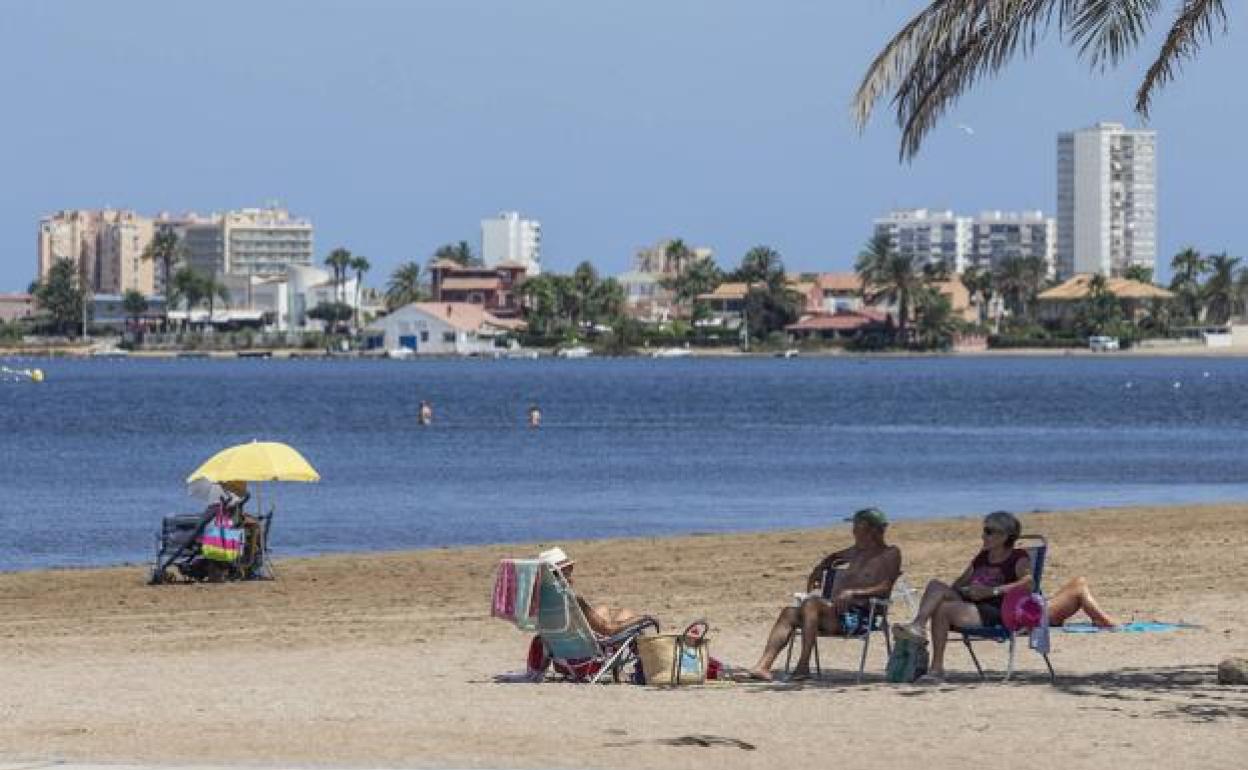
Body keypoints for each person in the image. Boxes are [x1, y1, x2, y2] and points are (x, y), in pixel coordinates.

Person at [741, 508, 902, 681]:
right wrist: (818, 571)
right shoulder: (854, 552)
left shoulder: (889, 554)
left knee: (812, 603)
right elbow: (831, 558)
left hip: (861, 617)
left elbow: (886, 587)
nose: (853, 530)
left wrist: (853, 593)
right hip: (834, 613)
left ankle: (803, 667)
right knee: (789, 613)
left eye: (857, 526)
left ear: (870, 530)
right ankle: (763, 666)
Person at [893, 510, 1033, 683]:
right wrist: (967, 590)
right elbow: (959, 582)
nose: (983, 536)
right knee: (935, 585)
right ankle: (919, 625)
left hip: (995, 610)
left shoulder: (1017, 557)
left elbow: (1028, 583)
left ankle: (936, 669)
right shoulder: (983, 556)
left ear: (1004, 536)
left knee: (943, 609)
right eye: (984, 531)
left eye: (988, 532)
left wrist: (992, 591)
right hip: (971, 603)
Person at [538, 547, 642, 636]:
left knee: (603, 609)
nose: (571, 572)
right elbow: (608, 630)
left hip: (560, 648)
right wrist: (642, 619)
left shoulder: (540, 600)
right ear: (559, 573)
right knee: (626, 613)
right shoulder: (572, 601)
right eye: (568, 569)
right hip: (590, 651)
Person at [1047, 575, 1118, 628]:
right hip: (1039, 612)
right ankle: (1101, 620)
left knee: (1079, 584)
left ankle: (1101, 619)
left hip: (1039, 607)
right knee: (1079, 587)